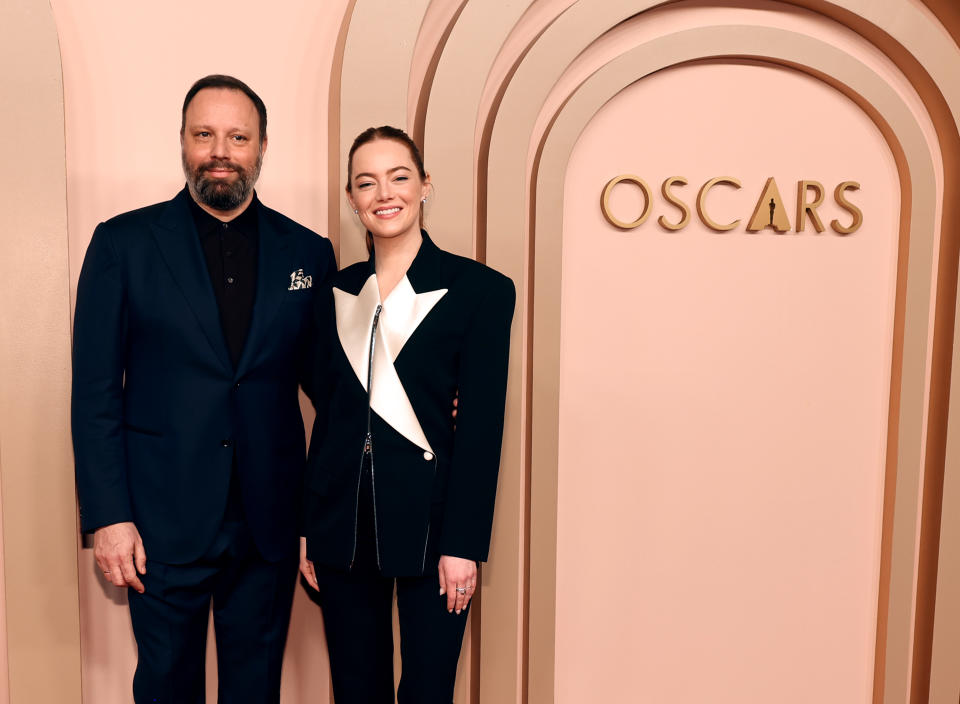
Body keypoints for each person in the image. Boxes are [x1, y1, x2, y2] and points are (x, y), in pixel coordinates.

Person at [71, 74, 336, 703]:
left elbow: (333, 388)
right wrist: (108, 518)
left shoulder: (310, 252)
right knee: (165, 687)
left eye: (237, 136)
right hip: (159, 524)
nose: (220, 149)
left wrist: (437, 397)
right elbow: (95, 393)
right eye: (205, 135)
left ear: (262, 147)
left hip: (269, 522)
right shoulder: (122, 244)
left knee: (256, 690)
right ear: (184, 143)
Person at [299, 126, 515, 703]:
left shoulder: (481, 290)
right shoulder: (334, 294)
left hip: (436, 523)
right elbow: (329, 416)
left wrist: (464, 543)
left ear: (424, 186)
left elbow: (481, 429)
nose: (383, 193)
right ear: (352, 200)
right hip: (343, 524)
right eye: (365, 183)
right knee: (356, 690)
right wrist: (309, 527)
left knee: (427, 690)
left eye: (398, 176)